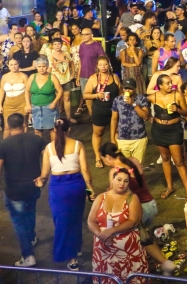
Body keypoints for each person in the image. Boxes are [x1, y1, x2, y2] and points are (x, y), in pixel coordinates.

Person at [98, 142, 176, 276]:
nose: (104, 162)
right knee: (142, 237)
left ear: (108, 157)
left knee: (139, 239)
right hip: (151, 204)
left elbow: (113, 196)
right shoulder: (133, 160)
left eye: (103, 159)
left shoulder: (115, 172)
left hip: (139, 210)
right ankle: (159, 262)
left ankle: (156, 265)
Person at [34, 118, 93, 270]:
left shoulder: (49, 148)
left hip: (58, 188)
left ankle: (71, 258)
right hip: (76, 185)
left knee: (62, 222)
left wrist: (40, 182)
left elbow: (44, 174)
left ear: (54, 129)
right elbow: (85, 170)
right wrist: (89, 189)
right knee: (75, 219)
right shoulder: (78, 145)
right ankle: (76, 247)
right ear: (69, 129)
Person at [87, 167, 149, 282]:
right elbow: (91, 221)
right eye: (119, 179)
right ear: (112, 180)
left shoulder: (132, 198)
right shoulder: (101, 197)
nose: (122, 183)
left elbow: (132, 221)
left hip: (128, 253)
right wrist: (101, 235)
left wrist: (111, 231)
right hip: (103, 252)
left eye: (126, 181)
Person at [0, 113, 45, 267]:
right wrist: (43, 176)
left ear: (8, 126)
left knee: (19, 222)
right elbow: (49, 157)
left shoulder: (4, 144)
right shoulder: (36, 139)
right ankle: (31, 238)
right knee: (30, 211)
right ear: (24, 124)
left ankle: (28, 255)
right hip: (33, 187)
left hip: (14, 191)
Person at [83, 56, 121, 167]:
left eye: (105, 64)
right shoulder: (93, 78)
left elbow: (121, 92)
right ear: (97, 66)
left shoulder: (114, 77)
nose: (103, 67)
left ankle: (116, 157)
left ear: (108, 65)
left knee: (116, 133)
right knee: (98, 134)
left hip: (114, 112)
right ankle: (97, 158)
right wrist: (96, 95)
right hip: (99, 111)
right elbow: (86, 95)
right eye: (100, 65)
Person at [110, 78, 150, 163]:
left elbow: (146, 117)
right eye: (125, 88)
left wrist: (133, 104)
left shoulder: (141, 99)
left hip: (139, 138)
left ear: (135, 88)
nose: (127, 90)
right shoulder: (117, 100)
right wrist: (112, 138)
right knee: (124, 165)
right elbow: (114, 119)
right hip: (122, 139)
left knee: (137, 165)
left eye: (130, 88)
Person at [26, 56, 63, 142]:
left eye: (43, 66)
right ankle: (40, 148)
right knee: (37, 130)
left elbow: (60, 91)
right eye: (39, 66)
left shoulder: (52, 77)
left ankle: (54, 148)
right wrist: (28, 104)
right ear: (36, 67)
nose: (41, 68)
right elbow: (27, 91)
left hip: (49, 107)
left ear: (47, 67)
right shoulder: (32, 77)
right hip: (35, 108)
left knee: (53, 129)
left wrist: (54, 102)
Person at [0, 58, 30, 137]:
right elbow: (2, 91)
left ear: (18, 64)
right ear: (8, 66)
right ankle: (6, 144)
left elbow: (28, 91)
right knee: (7, 127)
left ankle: (24, 143)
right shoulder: (5, 77)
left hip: (22, 103)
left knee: (23, 125)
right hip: (8, 103)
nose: (14, 66)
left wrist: (28, 104)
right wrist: (0, 104)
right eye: (11, 65)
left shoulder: (24, 76)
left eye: (15, 64)